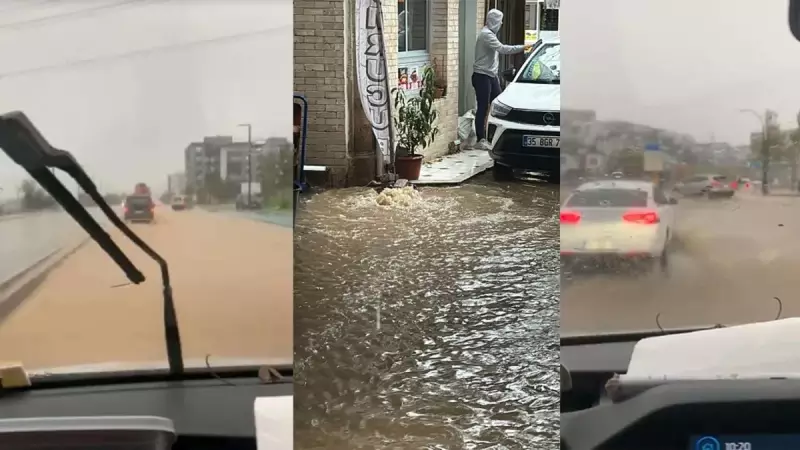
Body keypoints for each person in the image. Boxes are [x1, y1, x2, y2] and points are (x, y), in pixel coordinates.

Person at [472, 9, 531, 150]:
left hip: (491, 76)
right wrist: (524, 47)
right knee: (483, 107)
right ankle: (480, 139)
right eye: (500, 21)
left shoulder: (489, 34)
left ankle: (494, 136)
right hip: (482, 76)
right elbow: (503, 49)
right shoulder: (486, 35)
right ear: (494, 21)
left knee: (498, 104)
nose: (501, 24)